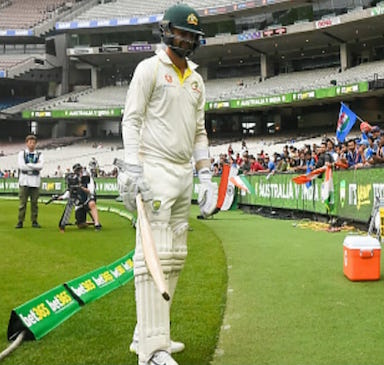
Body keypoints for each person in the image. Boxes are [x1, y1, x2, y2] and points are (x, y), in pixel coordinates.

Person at [119, 4, 216, 365]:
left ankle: (149, 333)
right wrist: (133, 169)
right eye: (182, 32)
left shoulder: (195, 79)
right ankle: (152, 352)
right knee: (152, 257)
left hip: (183, 173)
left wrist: (205, 175)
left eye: (192, 35)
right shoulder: (148, 69)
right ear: (166, 31)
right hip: (155, 168)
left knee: (175, 256)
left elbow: (200, 132)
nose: (187, 39)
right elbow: (131, 120)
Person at [55, 163, 102, 232]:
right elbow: (70, 191)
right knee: (81, 225)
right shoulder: (73, 179)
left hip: (88, 199)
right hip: (79, 202)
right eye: (77, 170)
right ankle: (90, 222)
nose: (79, 172)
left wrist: (81, 186)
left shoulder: (87, 178)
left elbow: (91, 191)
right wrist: (61, 197)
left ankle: (97, 224)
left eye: (80, 170)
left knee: (91, 204)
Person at [16, 134, 43, 228]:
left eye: (33, 143)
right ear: (26, 143)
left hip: (35, 181)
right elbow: (21, 166)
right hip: (24, 180)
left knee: (34, 203)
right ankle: (20, 221)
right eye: (30, 142)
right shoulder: (22, 153)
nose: (32, 144)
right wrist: (34, 166)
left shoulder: (39, 154)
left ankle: (34, 221)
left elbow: (41, 166)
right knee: (22, 203)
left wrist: (29, 164)